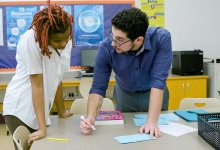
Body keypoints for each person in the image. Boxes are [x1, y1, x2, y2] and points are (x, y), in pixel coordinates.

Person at [80, 7, 172, 138]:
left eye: (119, 39)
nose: (113, 43)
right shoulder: (106, 47)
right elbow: (98, 87)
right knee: (125, 133)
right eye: (112, 35)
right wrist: (90, 119)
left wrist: (151, 122)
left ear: (138, 40)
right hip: (125, 95)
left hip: (154, 94)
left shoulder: (161, 39)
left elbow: (158, 82)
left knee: (155, 136)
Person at [3, 0, 73, 149]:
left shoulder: (66, 39)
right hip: (21, 109)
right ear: (45, 35)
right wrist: (42, 128)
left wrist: (61, 111)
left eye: (66, 38)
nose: (63, 43)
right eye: (57, 40)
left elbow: (57, 78)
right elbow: (37, 85)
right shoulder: (31, 40)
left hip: (39, 110)